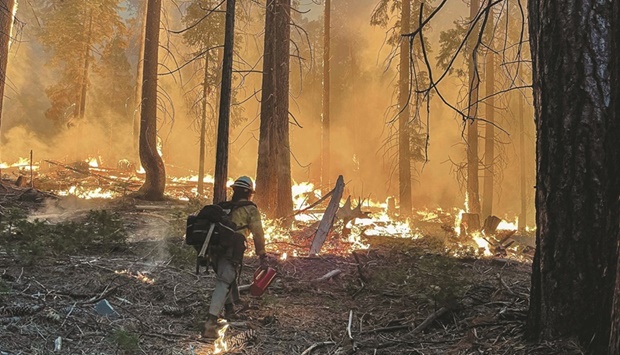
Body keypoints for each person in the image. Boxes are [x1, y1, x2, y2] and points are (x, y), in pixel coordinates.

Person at [203, 176, 267, 338]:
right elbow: (258, 233)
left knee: (228, 277)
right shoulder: (250, 209)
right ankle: (211, 323)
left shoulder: (223, 207)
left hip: (214, 249)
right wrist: (262, 255)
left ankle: (230, 310)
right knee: (224, 281)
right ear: (249, 193)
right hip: (231, 250)